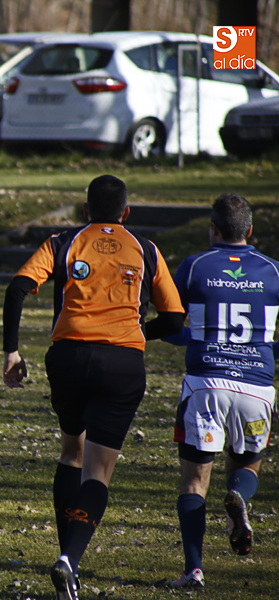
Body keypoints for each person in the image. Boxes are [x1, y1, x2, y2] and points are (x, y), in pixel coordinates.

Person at [0, 175, 184, 600]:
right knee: (98, 470)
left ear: (85, 210)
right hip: (121, 363)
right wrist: (136, 330)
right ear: (126, 213)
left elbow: (17, 288)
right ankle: (70, 559)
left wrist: (11, 351)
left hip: (67, 357)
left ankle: (68, 561)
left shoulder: (61, 242)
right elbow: (174, 320)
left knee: (71, 452)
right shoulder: (147, 250)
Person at [160, 194, 278, 591]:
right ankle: (238, 498)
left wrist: (197, 339)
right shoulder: (274, 272)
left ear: (212, 229)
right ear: (250, 232)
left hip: (205, 384)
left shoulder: (193, 267)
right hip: (256, 387)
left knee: (194, 482)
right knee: (246, 466)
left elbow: (174, 325)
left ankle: (194, 569)